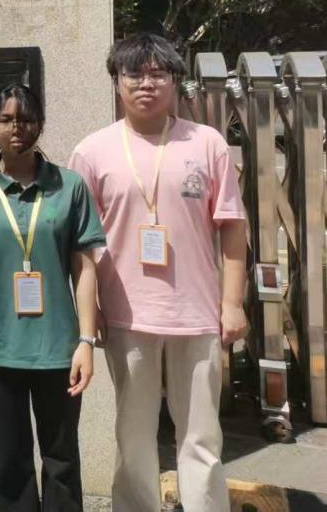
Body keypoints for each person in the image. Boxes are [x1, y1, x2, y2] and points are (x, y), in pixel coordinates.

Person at [68, 33, 249, 512]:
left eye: (158, 74)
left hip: (198, 315)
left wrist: (232, 303)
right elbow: (79, 246)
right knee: (133, 436)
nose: (146, 83)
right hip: (127, 316)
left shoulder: (206, 144)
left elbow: (233, 228)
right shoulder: (92, 152)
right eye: (134, 73)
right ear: (116, 81)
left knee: (201, 437)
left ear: (174, 80)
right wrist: (90, 312)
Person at [0, 84, 104, 511]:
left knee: (62, 460)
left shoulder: (70, 187)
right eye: (6, 119)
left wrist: (86, 342)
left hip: (58, 350)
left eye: (27, 119)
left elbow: (84, 267)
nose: (17, 128)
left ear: (41, 124)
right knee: (9, 464)